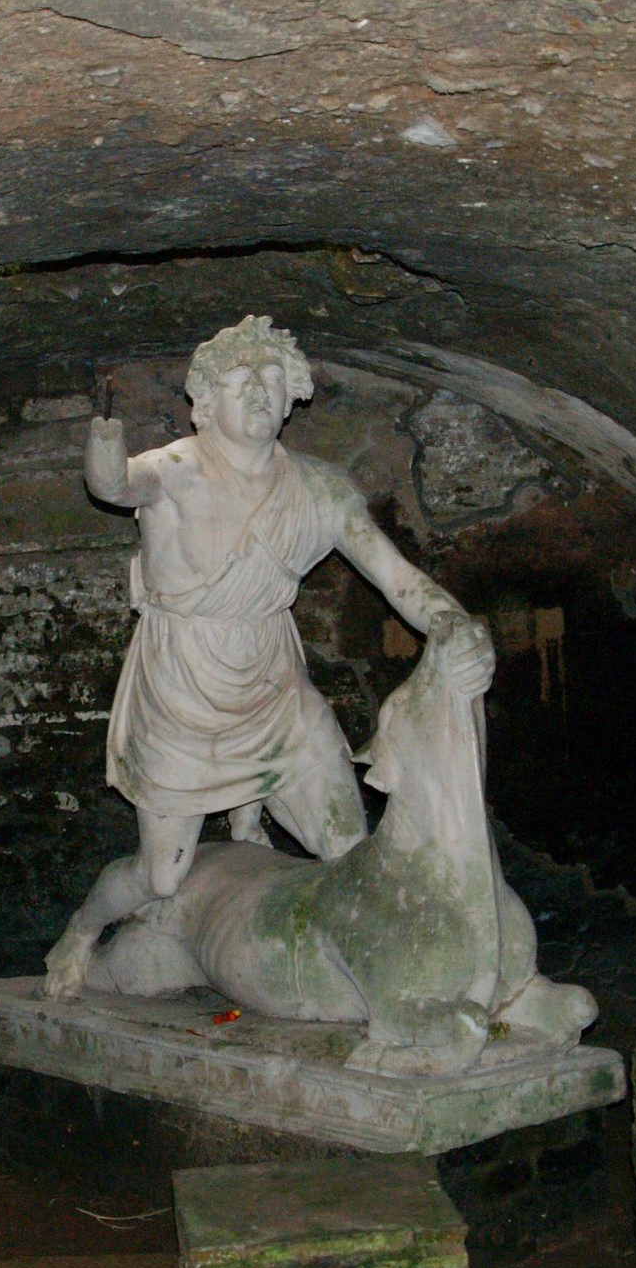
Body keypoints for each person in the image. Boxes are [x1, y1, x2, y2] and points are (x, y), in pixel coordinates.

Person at [43, 315, 495, 998]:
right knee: (162, 876)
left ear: (291, 399)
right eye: (240, 380)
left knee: (348, 844)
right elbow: (114, 487)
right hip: (183, 687)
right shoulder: (174, 472)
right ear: (205, 402)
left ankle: (370, 978)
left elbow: (396, 577)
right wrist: (105, 439)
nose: (258, 392)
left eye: (272, 380)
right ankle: (78, 932)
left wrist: (456, 627)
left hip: (274, 690)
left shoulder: (320, 489)